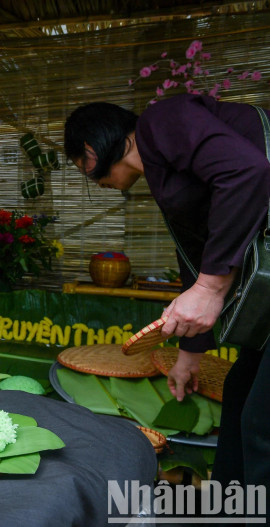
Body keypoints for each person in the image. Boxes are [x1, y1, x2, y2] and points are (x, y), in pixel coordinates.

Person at [64, 93, 270, 492]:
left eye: (81, 165)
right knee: (241, 398)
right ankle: (230, 518)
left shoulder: (161, 121)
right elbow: (196, 258)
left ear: (92, 147)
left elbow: (249, 171)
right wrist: (190, 355)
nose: (91, 179)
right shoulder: (165, 170)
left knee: (263, 423)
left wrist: (211, 287)